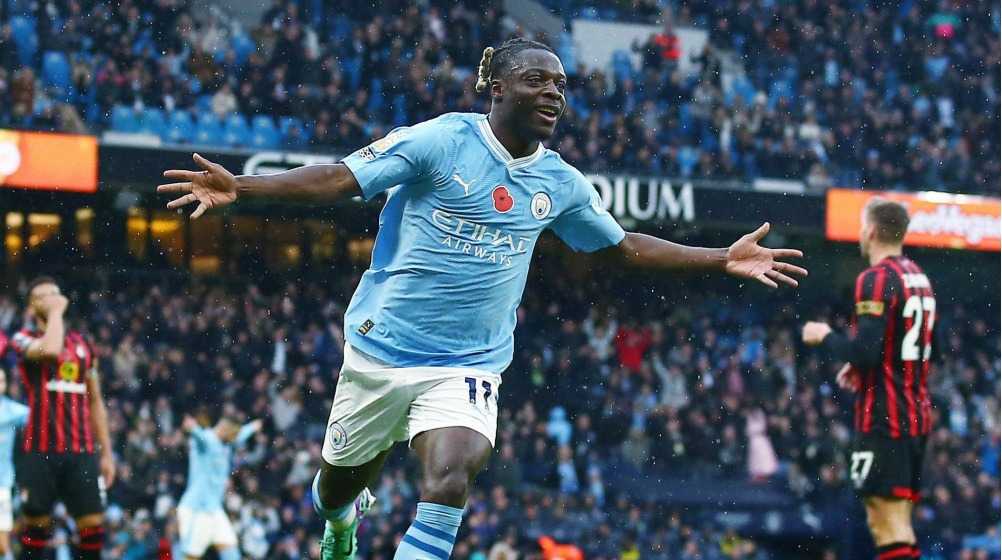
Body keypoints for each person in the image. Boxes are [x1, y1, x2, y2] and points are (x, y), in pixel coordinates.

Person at [158, 37, 807, 560]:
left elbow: (621, 246)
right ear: (498, 87)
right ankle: (342, 522)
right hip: (380, 352)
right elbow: (339, 178)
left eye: (560, 85)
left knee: (452, 475)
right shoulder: (441, 142)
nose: (552, 92)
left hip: (467, 363)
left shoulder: (559, 182)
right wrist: (244, 187)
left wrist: (720, 257)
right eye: (537, 80)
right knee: (334, 490)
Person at [803, 198, 935, 560]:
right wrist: (863, 367)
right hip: (914, 415)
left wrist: (824, 336)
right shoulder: (918, 278)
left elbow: (865, 351)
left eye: (863, 226)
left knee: (884, 521)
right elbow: (923, 347)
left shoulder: (876, 279)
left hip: (884, 419)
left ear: (872, 231)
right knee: (898, 520)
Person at [8, 277, 115, 560]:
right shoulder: (22, 339)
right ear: (31, 307)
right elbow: (51, 350)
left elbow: (95, 401)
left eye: (55, 294)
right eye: (42, 297)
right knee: (36, 530)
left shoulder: (84, 345)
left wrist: (106, 453)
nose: (51, 300)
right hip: (39, 451)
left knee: (92, 528)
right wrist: (56, 312)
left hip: (81, 451)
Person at [176, 414, 262, 560]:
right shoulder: (208, 439)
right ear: (224, 429)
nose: (235, 438)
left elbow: (239, 435)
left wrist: (252, 427)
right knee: (190, 556)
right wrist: (193, 428)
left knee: (231, 550)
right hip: (197, 509)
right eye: (233, 434)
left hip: (214, 510)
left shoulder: (226, 442)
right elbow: (200, 437)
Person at [0, 367, 29, 559]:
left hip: (2, 485)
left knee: (2, 545)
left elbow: (38, 417)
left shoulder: (13, 411)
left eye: (2, 380)